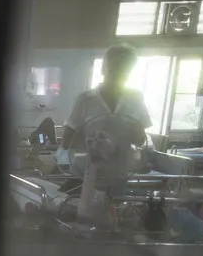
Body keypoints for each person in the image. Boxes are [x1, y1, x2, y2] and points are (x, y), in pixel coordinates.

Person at [57, 44, 151, 173]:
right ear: (103, 69)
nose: (118, 76)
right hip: (86, 170)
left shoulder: (136, 99)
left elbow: (140, 140)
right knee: (84, 192)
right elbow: (67, 141)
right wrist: (93, 143)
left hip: (119, 172)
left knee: (116, 193)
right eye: (113, 70)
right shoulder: (85, 100)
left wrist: (127, 134)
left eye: (124, 72)